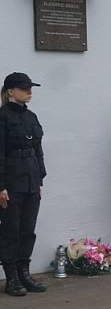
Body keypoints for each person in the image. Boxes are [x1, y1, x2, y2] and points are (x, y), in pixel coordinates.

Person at [0, 73, 47, 296]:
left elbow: (38, 150)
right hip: (11, 181)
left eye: (30, 88)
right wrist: (1, 186)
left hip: (30, 179)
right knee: (11, 231)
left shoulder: (31, 117)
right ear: (10, 91)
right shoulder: (3, 117)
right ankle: (11, 278)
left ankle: (24, 273)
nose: (29, 92)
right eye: (23, 88)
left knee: (28, 230)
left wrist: (39, 179)